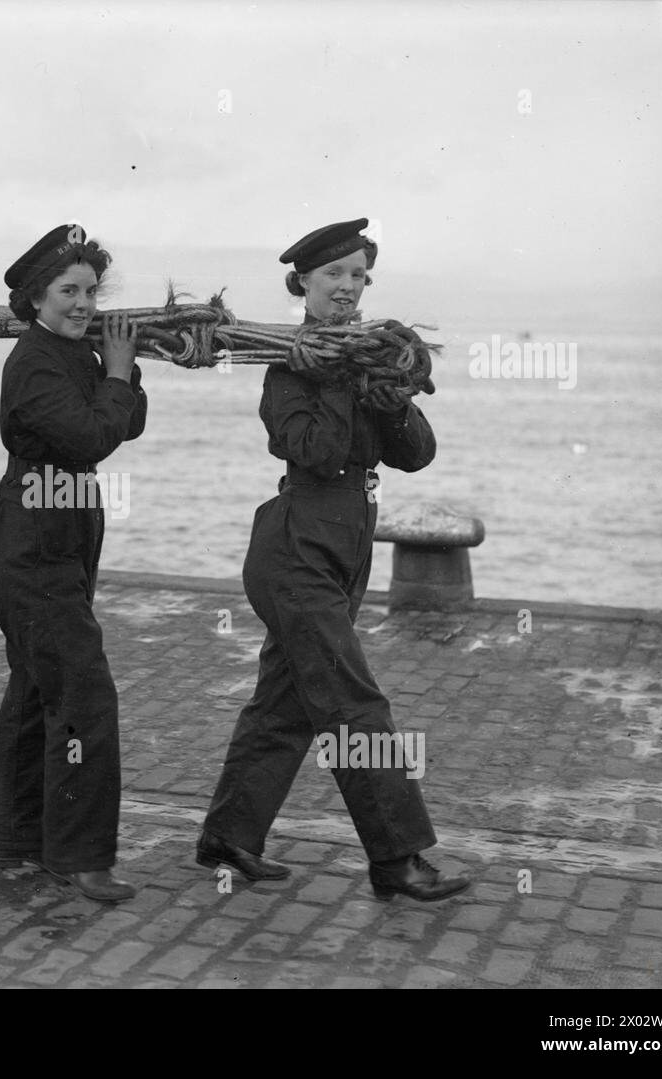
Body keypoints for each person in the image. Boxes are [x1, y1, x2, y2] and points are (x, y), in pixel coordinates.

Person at [197, 218, 470, 903]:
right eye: (333, 276)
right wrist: (344, 378)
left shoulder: (363, 358)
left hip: (345, 548)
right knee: (354, 704)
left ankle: (228, 837)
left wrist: (391, 387)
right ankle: (396, 858)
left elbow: (415, 454)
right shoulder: (289, 365)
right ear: (304, 285)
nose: (348, 287)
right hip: (295, 548)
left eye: (358, 276)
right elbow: (315, 451)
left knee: (285, 701)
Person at [0, 224, 148, 903]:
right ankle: (79, 857)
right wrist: (116, 374)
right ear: (35, 299)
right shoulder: (36, 361)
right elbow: (91, 436)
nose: (82, 303)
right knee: (84, 696)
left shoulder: (71, 351)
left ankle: (17, 842)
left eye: (89, 290)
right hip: (30, 548)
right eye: (67, 291)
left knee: (36, 691)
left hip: (58, 543)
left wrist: (121, 372)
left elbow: (128, 421)